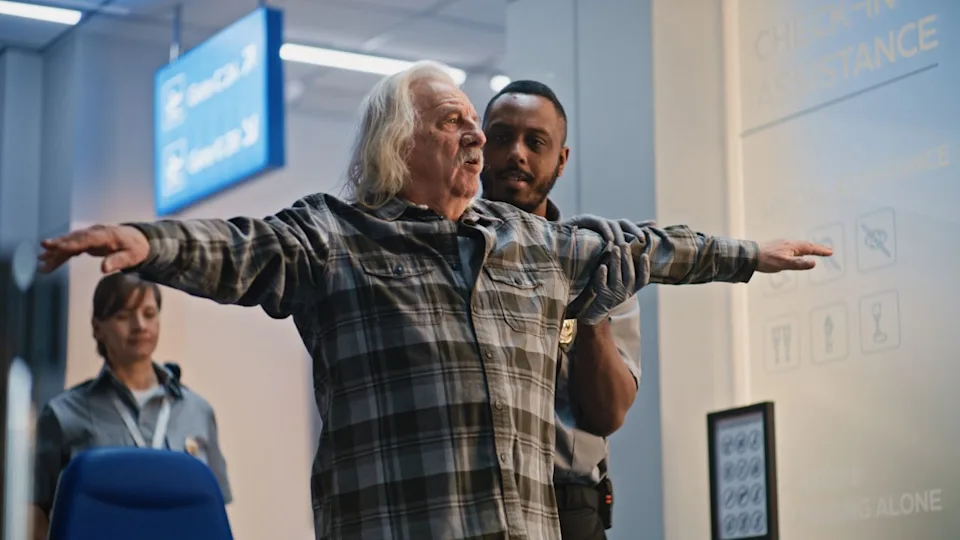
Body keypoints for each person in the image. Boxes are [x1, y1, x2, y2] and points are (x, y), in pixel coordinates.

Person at [37, 61, 829, 540]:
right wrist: (151, 242)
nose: (479, 138)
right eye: (456, 123)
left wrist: (749, 254)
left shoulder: (535, 242)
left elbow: (643, 246)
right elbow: (247, 248)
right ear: (398, 141)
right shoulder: (335, 235)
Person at [481, 80, 640, 539]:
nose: (517, 154)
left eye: (536, 142)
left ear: (561, 160)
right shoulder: (443, 260)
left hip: (568, 504)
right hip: (474, 507)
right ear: (477, 145)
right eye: (502, 137)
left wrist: (590, 314)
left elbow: (607, 414)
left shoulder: (598, 263)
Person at [30, 273, 231, 539]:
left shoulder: (197, 411)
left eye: (149, 313)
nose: (140, 325)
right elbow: (35, 514)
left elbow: (212, 513)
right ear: (97, 327)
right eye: (124, 316)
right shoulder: (62, 414)